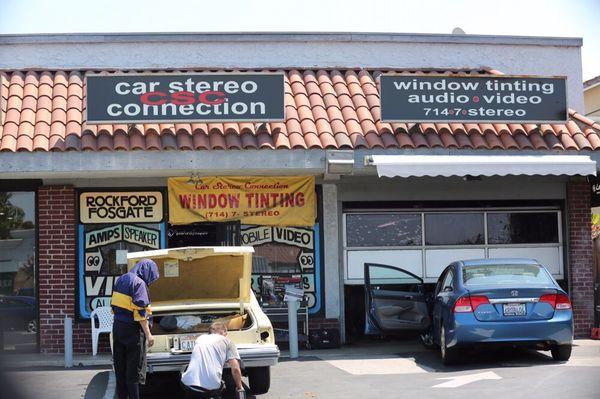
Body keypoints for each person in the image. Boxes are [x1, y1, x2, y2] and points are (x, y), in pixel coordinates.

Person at [111, 258, 160, 399]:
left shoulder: (121, 279)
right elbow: (140, 313)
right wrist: (149, 334)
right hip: (133, 331)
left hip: (118, 328)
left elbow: (113, 306)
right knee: (133, 371)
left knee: (120, 368)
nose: (151, 280)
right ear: (147, 271)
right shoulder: (139, 283)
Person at [181, 321, 245, 399]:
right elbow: (235, 369)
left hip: (188, 385)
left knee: (184, 369)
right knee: (220, 385)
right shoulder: (227, 341)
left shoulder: (200, 338)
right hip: (211, 389)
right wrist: (240, 387)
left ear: (210, 332)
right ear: (224, 332)